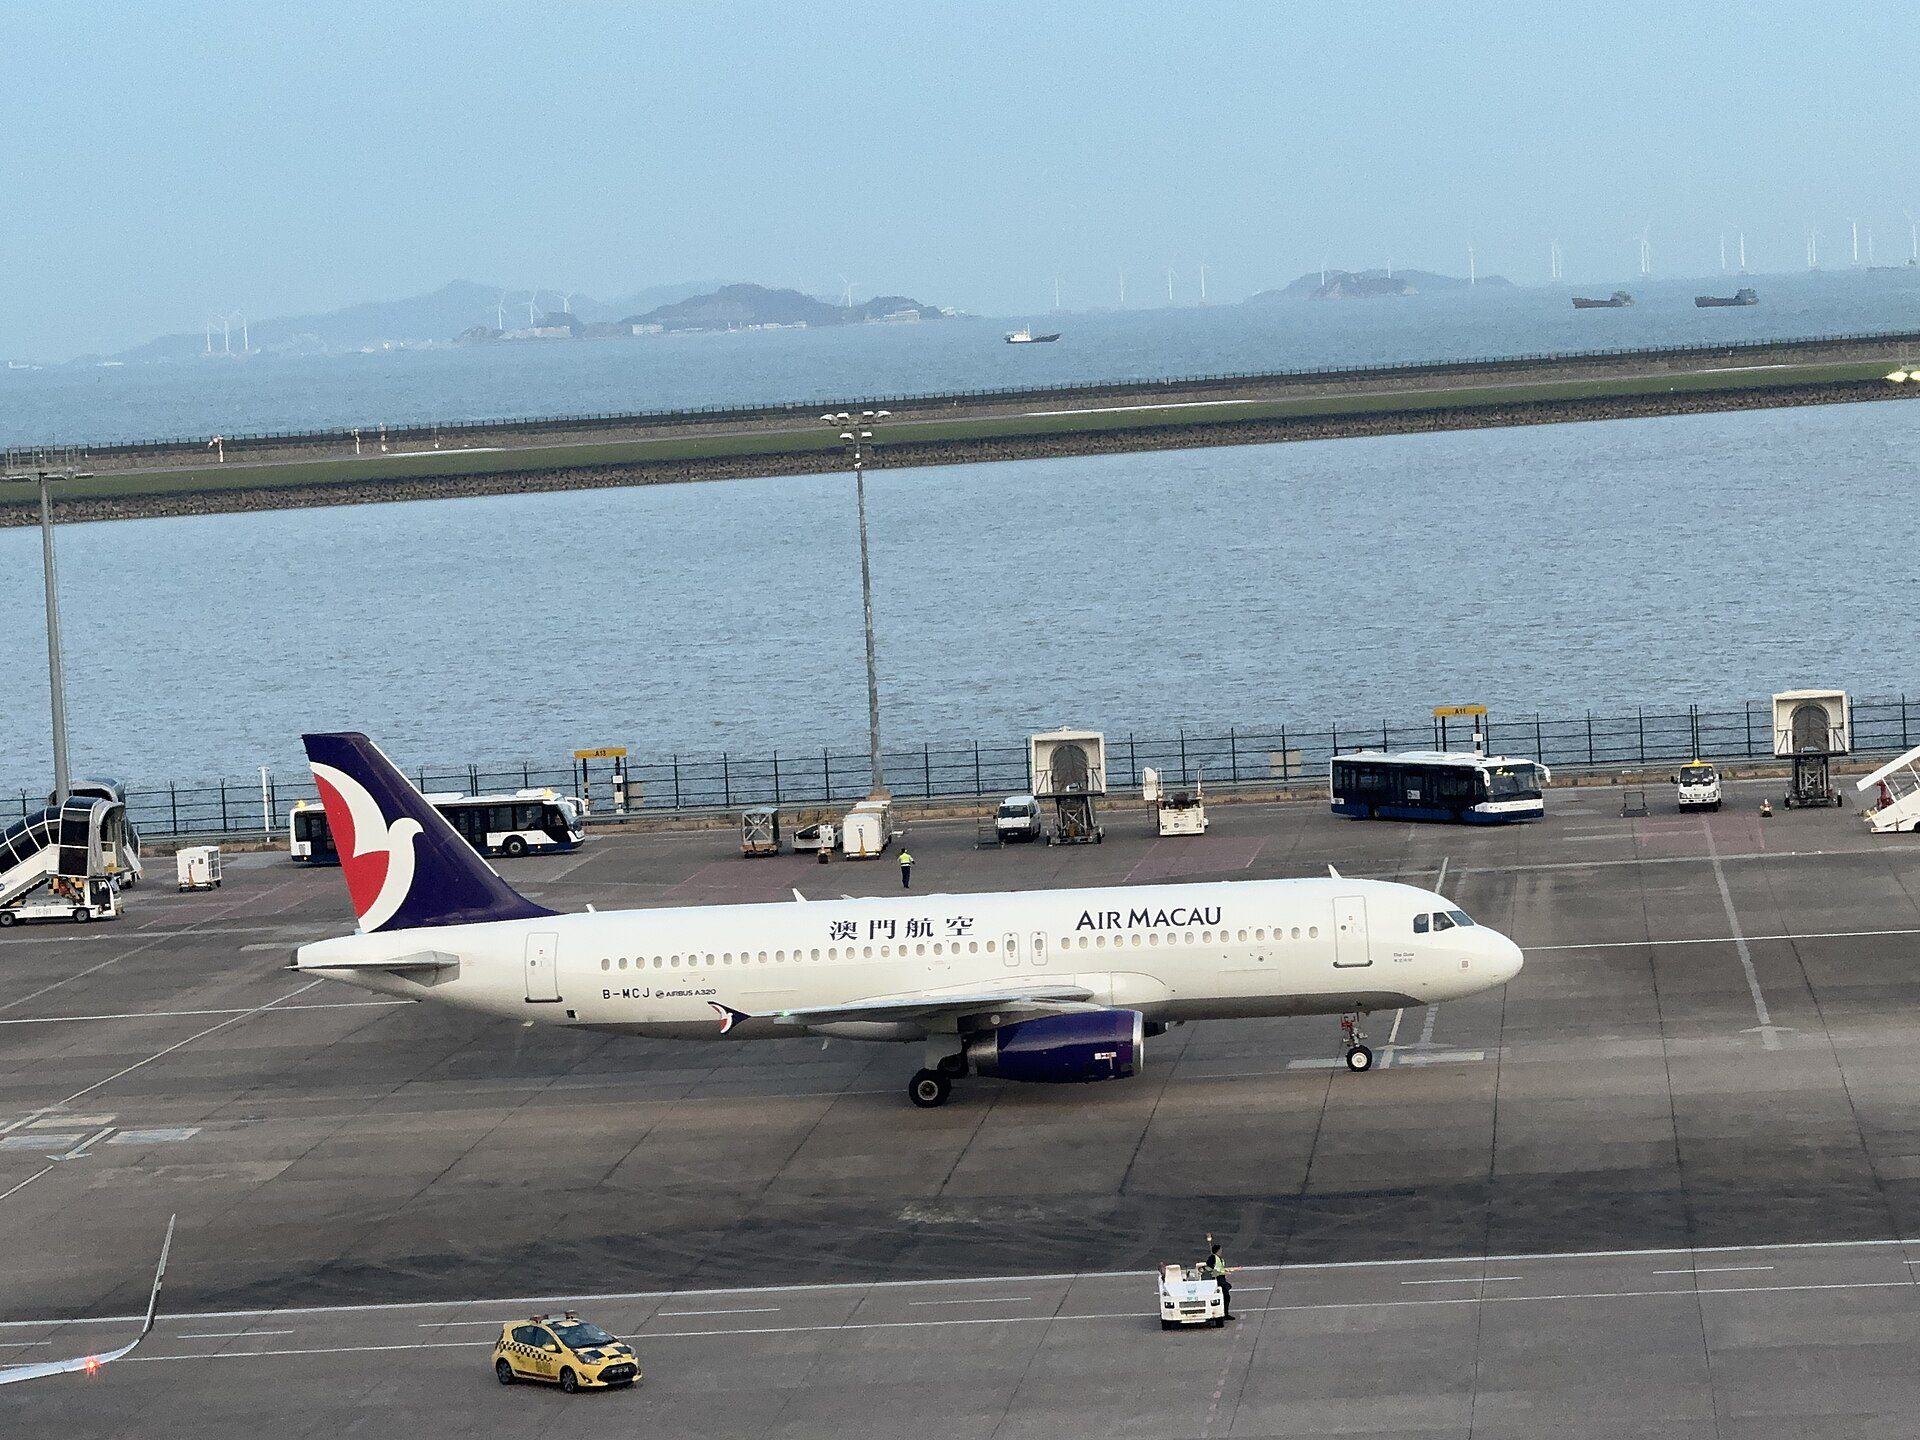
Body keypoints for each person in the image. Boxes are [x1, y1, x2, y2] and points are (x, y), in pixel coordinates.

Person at [1200, 1234, 1232, 1320]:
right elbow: (1208, 1268)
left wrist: (1225, 1271)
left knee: (1226, 1296)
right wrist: (1214, 1272)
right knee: (1225, 1296)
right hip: (1217, 1279)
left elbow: (1219, 1268)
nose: (1221, 1252)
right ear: (1217, 1251)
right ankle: (1224, 1313)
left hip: (1221, 1278)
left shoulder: (1219, 1259)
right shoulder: (1213, 1258)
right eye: (1220, 1250)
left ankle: (1225, 1313)